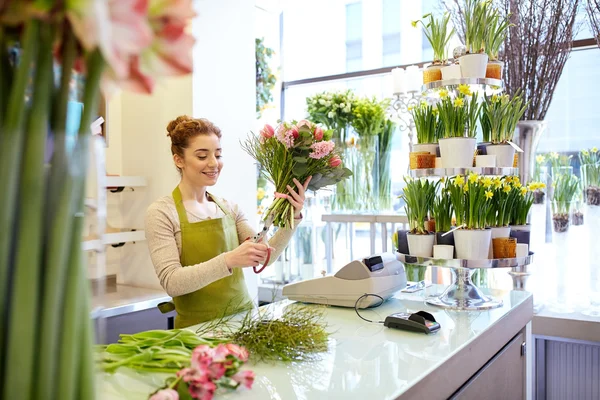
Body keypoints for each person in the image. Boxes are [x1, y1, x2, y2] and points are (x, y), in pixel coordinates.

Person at [145, 116, 310, 328]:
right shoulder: (161, 213)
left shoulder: (229, 208)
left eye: (218, 154)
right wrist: (229, 260)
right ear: (179, 160)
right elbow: (173, 282)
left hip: (244, 323)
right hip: (197, 332)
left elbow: (265, 256)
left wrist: (292, 218)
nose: (214, 163)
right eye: (202, 156)